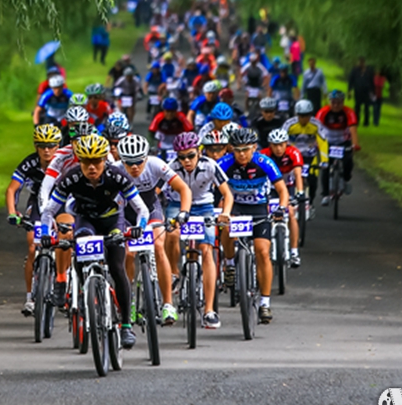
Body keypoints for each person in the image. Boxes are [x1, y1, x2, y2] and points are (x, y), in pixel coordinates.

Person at [40, 134, 148, 349]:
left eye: (96, 162)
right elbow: (49, 210)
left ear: (104, 161)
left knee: (118, 268)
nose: (91, 167)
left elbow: (141, 208)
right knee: (80, 243)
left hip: (112, 220)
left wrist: (139, 228)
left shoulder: (116, 176)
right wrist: (45, 232)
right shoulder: (70, 178)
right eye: (86, 162)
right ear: (79, 161)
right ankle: (83, 294)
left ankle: (126, 324)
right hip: (85, 220)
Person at [116, 135, 192, 326]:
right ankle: (130, 300)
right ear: (121, 160)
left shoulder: (156, 164)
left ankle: (168, 303)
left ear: (146, 158)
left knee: (159, 246)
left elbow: (183, 188)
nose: (135, 167)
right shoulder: (114, 169)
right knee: (128, 254)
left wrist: (184, 212)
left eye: (139, 161)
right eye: (130, 163)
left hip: (150, 209)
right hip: (125, 214)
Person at [216, 128, 288, 324]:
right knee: (226, 227)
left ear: (254, 148)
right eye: (237, 149)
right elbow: (210, 187)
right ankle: (230, 264)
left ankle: (265, 302)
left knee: (263, 252)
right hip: (236, 208)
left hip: (258, 209)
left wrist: (281, 208)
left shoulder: (264, 162)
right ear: (231, 149)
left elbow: (282, 191)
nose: (241, 154)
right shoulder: (223, 164)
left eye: (246, 149)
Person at [166, 132, 234, 329]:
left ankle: (209, 310)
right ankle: (174, 272)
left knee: (207, 250)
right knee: (171, 234)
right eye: (182, 157)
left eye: (191, 155)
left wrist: (226, 213)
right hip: (177, 205)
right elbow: (157, 191)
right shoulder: (171, 168)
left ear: (199, 152)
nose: (186, 161)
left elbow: (227, 194)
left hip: (204, 207)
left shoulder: (211, 166)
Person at [6, 124, 63, 316]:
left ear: (58, 146)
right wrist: (13, 213)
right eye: (42, 146)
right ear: (36, 147)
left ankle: (68, 286)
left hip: (61, 205)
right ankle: (30, 297)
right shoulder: (29, 163)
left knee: (68, 240)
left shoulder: (65, 162)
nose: (46, 150)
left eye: (51, 145)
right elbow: (12, 189)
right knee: (32, 246)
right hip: (38, 206)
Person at [261, 129, 304, 267]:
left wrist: (300, 192)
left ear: (287, 143)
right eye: (275, 145)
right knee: (266, 213)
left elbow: (298, 174)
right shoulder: (264, 155)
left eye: (281, 144)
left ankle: (294, 252)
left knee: (290, 213)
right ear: (270, 145)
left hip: (288, 185)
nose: (278, 148)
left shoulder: (294, 153)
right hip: (271, 188)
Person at [281, 100, 329, 217]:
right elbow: (281, 142)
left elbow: (323, 142)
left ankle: (310, 202)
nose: (304, 118)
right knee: (289, 179)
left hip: (310, 156)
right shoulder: (289, 124)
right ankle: (289, 200)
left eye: (307, 115)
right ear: (297, 114)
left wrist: (324, 160)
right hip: (293, 156)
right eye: (301, 116)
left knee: (312, 179)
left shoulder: (316, 124)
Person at [315, 90, 360, 205]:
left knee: (348, 160)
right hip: (327, 140)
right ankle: (325, 194)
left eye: (339, 103)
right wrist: (316, 144)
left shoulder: (348, 112)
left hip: (342, 139)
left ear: (343, 102)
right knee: (325, 166)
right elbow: (316, 129)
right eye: (333, 102)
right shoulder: (323, 112)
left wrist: (355, 144)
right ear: (329, 102)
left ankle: (345, 178)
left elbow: (353, 129)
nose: (336, 105)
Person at [347, 56, 375, 127]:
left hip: (366, 91)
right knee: (357, 106)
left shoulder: (369, 71)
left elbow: (372, 81)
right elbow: (351, 80)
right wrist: (349, 90)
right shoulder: (355, 70)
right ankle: (356, 120)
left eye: (362, 62)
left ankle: (366, 122)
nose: (360, 64)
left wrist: (372, 91)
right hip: (358, 91)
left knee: (366, 107)